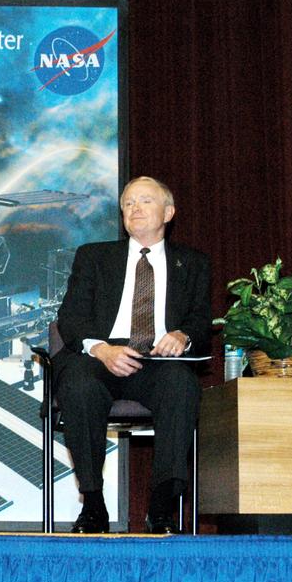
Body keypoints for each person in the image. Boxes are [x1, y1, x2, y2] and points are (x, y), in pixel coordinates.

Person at [53, 176, 210, 534]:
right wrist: (103, 349)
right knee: (78, 386)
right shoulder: (93, 256)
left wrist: (182, 336)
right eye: (128, 203)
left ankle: (160, 508)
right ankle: (92, 505)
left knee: (182, 385)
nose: (135, 208)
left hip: (157, 360)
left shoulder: (193, 263)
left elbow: (202, 324)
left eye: (145, 201)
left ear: (169, 212)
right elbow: (71, 317)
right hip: (100, 356)